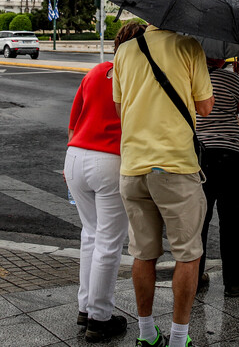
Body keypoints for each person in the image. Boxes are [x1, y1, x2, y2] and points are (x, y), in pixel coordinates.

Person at [113, 25, 214, 347]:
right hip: (174, 166)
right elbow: (205, 106)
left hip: (132, 167)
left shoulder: (125, 51)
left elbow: (120, 109)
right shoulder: (189, 46)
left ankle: (146, 334)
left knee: (143, 254)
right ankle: (179, 338)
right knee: (188, 255)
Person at [65, 21, 147, 343]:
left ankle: (85, 307)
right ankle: (99, 318)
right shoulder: (137, 78)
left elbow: (74, 123)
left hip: (75, 158)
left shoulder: (96, 72)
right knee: (109, 242)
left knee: (90, 235)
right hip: (109, 160)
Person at [196, 58, 239, 297]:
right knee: (231, 222)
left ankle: (195, 274)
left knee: (199, 220)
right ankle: (234, 279)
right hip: (229, 157)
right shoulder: (230, 78)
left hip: (200, 158)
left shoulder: (192, 79)